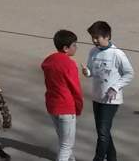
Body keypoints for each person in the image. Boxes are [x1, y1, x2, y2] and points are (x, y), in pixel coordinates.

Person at [85, 20, 132, 161]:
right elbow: (91, 71)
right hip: (97, 97)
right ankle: (112, 157)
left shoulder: (117, 54)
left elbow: (129, 73)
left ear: (107, 36)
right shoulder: (93, 51)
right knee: (103, 131)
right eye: (92, 37)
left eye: (97, 37)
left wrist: (115, 88)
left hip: (111, 100)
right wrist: (86, 72)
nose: (94, 41)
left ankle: (98, 158)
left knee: (103, 133)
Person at [42, 29, 84, 161]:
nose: (76, 47)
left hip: (52, 106)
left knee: (63, 139)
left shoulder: (49, 61)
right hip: (66, 107)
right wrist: (78, 107)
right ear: (66, 48)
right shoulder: (69, 65)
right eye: (74, 45)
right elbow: (75, 89)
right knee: (66, 146)